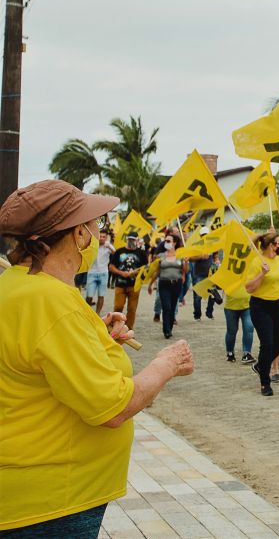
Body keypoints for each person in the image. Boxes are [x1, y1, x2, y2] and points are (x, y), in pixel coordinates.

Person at [0, 180, 194, 537]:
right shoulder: (50, 299)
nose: (98, 233)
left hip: (35, 493)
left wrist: (95, 338)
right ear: (78, 235)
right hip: (51, 499)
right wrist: (167, 364)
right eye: (95, 224)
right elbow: (111, 408)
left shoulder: (18, 286)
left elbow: (35, 357)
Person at [245, 231, 279, 396]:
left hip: (278, 304)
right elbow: (249, 288)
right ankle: (265, 383)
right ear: (271, 245)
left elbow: (278, 281)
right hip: (261, 306)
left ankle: (260, 365)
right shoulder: (257, 262)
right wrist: (262, 273)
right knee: (267, 343)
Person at [146, 236, 188, 339]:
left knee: (172, 308)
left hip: (176, 284)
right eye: (166, 241)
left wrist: (186, 262)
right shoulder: (160, 256)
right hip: (164, 284)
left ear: (174, 243)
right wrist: (150, 284)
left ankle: (170, 328)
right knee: (166, 307)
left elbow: (185, 270)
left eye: (169, 241)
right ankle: (166, 330)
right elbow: (157, 271)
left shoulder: (180, 255)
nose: (166, 243)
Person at [108, 231, 147, 330]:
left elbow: (145, 268)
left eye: (133, 240)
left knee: (132, 309)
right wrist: (121, 273)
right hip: (120, 284)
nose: (131, 241)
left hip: (134, 286)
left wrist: (134, 273)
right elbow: (111, 267)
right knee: (118, 307)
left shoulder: (141, 253)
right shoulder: (119, 251)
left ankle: (128, 329)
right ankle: (115, 327)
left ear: (137, 240)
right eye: (129, 239)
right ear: (126, 239)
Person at [83, 228, 115, 314]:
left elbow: (115, 253)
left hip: (103, 273)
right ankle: (87, 313)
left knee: (101, 296)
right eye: (100, 236)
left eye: (104, 237)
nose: (102, 238)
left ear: (106, 238)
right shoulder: (93, 245)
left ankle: (97, 314)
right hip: (92, 273)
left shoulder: (108, 246)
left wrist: (109, 246)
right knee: (89, 296)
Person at [224, 282, 255, 364]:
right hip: (230, 307)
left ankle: (247, 353)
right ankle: (230, 352)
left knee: (249, 328)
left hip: (247, 305)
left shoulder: (249, 273)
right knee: (232, 331)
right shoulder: (228, 274)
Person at [189, 233, 217, 320]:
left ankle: (209, 313)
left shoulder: (213, 245)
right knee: (198, 296)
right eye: (203, 235)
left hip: (210, 274)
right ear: (200, 236)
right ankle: (197, 315)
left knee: (212, 294)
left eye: (206, 234)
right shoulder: (196, 245)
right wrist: (200, 256)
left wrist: (216, 261)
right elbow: (190, 258)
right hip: (199, 274)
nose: (205, 236)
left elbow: (215, 256)